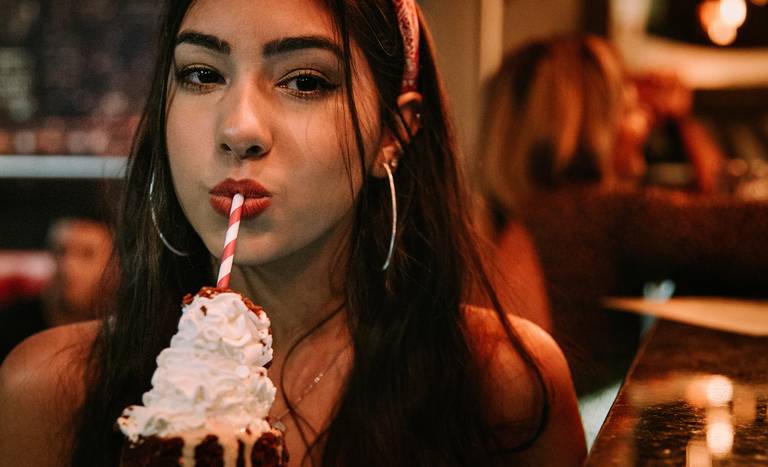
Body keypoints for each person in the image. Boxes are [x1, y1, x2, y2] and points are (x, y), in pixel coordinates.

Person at [0, 2, 586, 466]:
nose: (239, 128)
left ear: (394, 133)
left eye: (304, 81)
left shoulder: (501, 385)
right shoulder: (51, 391)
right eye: (201, 74)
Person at [474, 34, 768, 395]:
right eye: (631, 106)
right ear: (592, 123)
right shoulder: (597, 214)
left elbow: (711, 218)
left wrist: (683, 123)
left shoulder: (511, 216)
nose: (645, 122)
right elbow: (747, 237)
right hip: (583, 445)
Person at [0, 217, 114, 362]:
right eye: (60, 251)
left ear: (114, 265)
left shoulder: (125, 335)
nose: (68, 267)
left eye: (86, 254)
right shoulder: (9, 326)